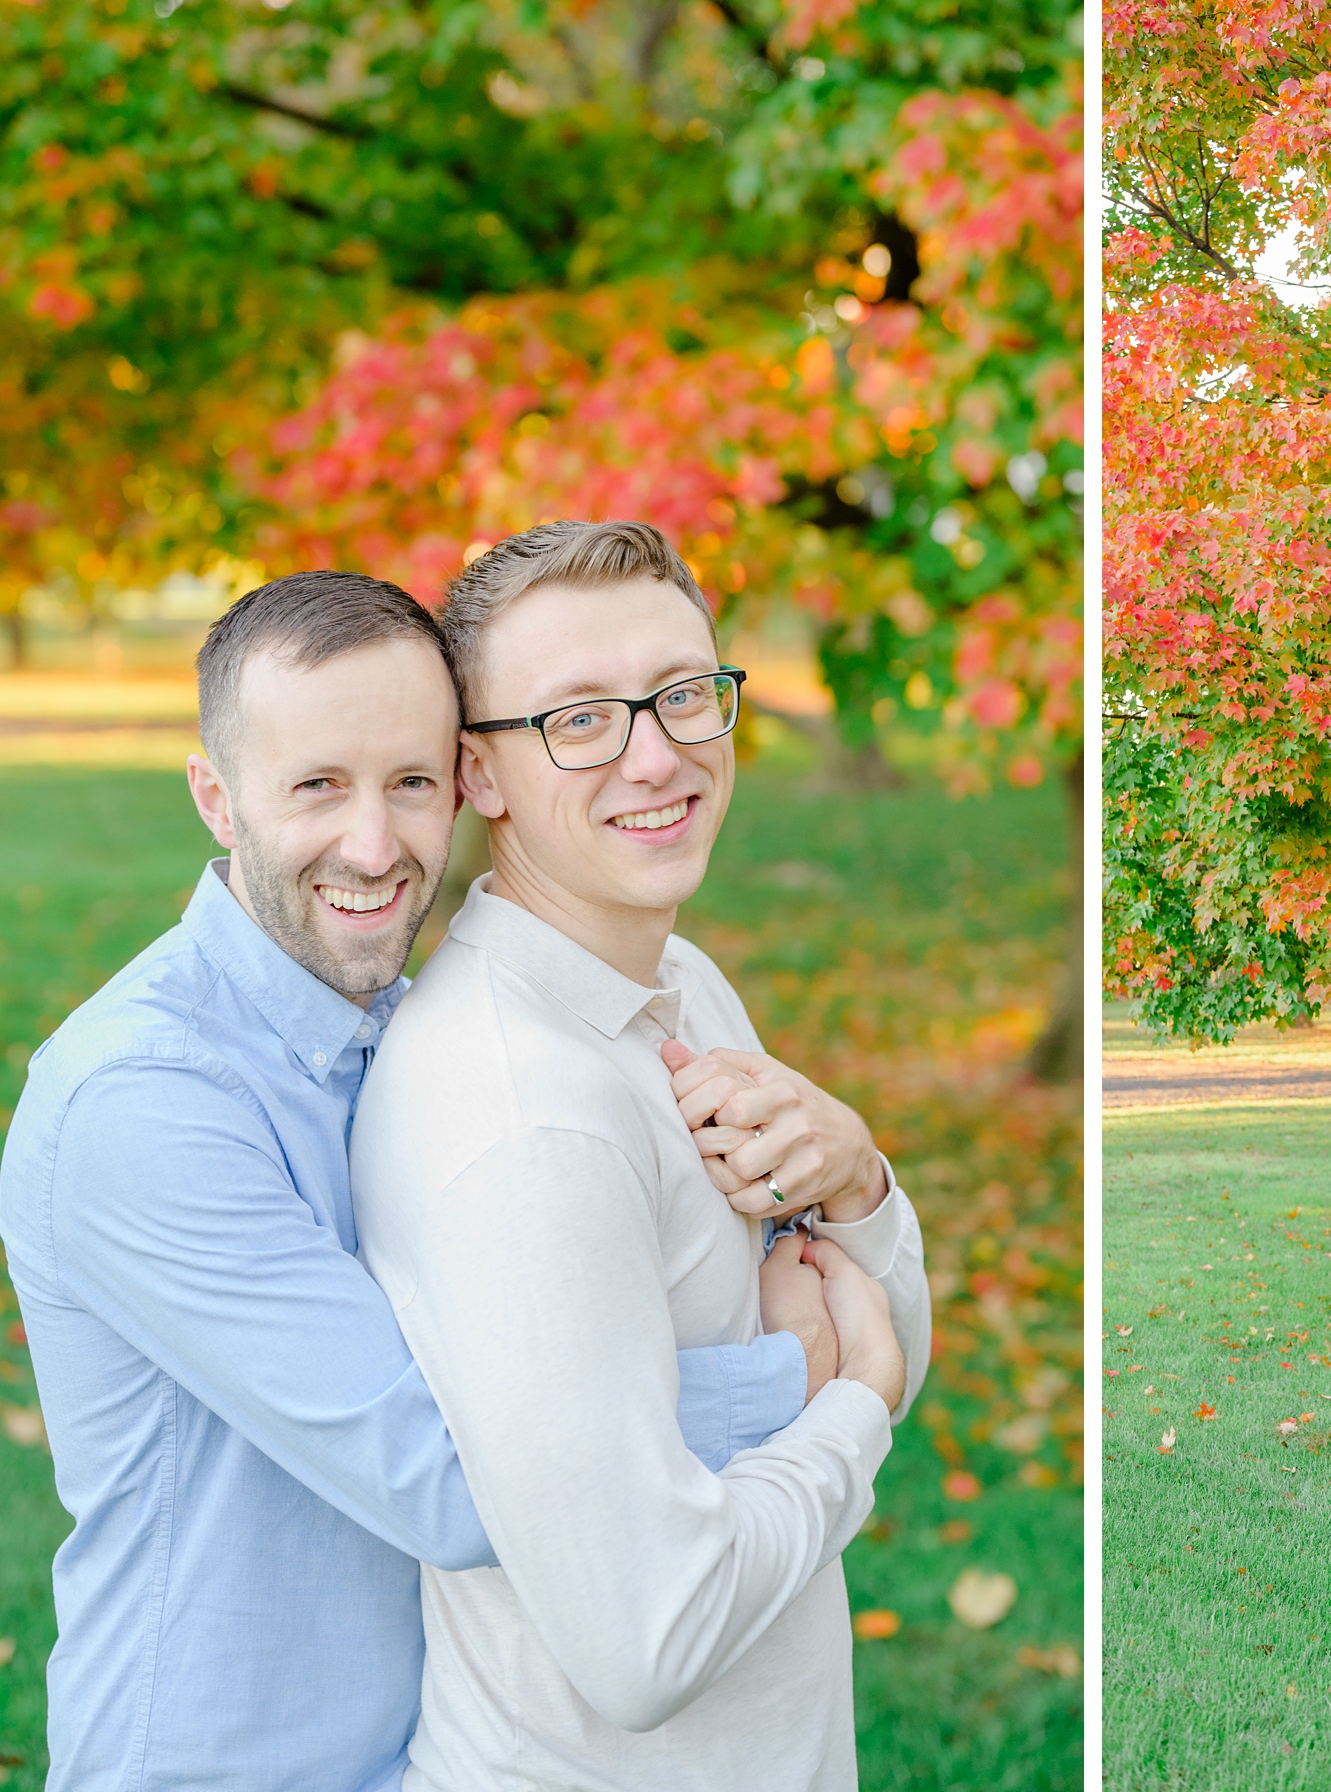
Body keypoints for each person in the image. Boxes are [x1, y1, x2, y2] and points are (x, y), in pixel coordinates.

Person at [0, 571, 869, 1791]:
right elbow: (468, 1481)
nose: (375, 844)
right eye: (316, 786)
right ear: (218, 797)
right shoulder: (141, 1107)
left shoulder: (397, 1024)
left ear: (462, 780)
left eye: (408, 782)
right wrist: (809, 1373)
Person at [348, 519, 931, 1791]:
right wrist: (849, 1408)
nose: (656, 754)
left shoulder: (680, 986)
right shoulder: (525, 1118)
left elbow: (880, 1318)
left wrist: (859, 1182)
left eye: (682, 693)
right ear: (477, 776)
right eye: (579, 720)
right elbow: (646, 1641)